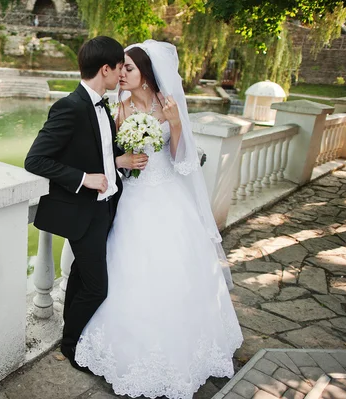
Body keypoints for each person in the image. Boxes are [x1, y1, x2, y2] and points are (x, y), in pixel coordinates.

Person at [74, 40, 243, 398]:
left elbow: (181, 162)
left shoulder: (166, 104)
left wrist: (175, 124)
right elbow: (107, 157)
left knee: (177, 271)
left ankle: (184, 353)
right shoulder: (115, 108)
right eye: (120, 68)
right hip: (133, 200)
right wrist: (123, 162)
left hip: (168, 198)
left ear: (145, 74)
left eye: (129, 69)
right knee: (128, 270)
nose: (122, 74)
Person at [24, 36, 148, 371]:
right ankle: (71, 346)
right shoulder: (71, 106)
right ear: (105, 69)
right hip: (83, 210)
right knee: (97, 288)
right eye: (119, 68)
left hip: (106, 207)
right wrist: (84, 178)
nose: (122, 74)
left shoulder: (102, 103)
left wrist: (119, 163)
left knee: (80, 275)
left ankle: (71, 339)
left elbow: (101, 151)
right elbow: (35, 160)